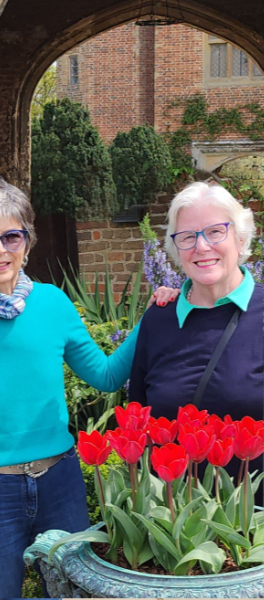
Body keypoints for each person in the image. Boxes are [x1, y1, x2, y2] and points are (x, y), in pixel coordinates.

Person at [0, 177, 178, 599]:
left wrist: (150, 318)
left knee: (74, 594)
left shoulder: (53, 303)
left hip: (60, 482)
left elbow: (107, 375)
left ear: (27, 241)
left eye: (11, 236)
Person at [129, 181, 263, 493]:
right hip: (176, 525)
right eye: (188, 237)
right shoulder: (159, 320)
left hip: (255, 526)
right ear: (176, 249)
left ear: (240, 236)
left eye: (215, 231)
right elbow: (139, 418)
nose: (201, 246)